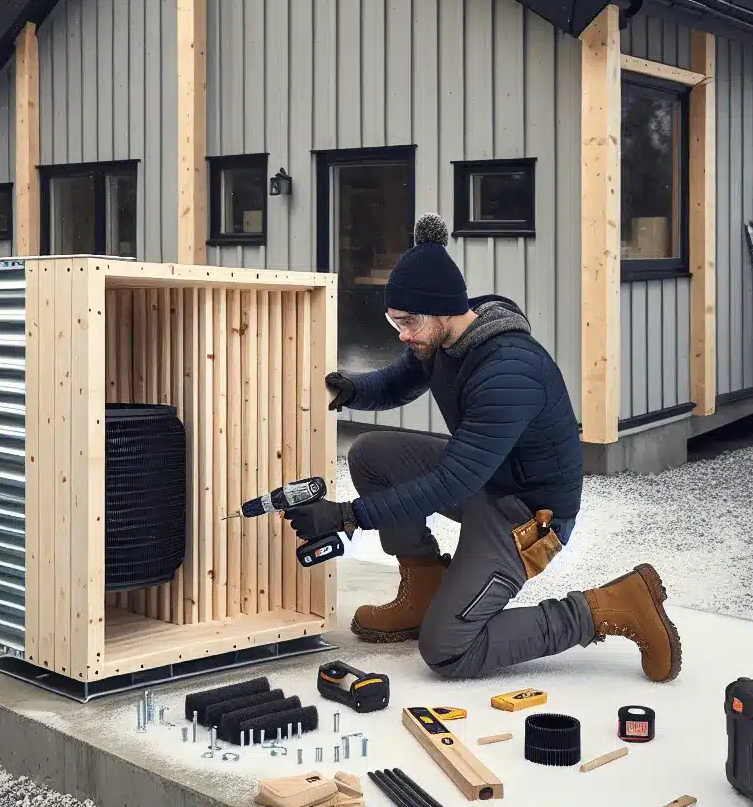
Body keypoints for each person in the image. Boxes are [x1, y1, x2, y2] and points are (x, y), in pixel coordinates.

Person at [283, 213, 682, 682]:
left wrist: (348, 516)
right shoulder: (444, 337)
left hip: (528, 517)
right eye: (395, 323)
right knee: (371, 455)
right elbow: (399, 381)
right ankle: (424, 592)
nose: (403, 335)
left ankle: (609, 606)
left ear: (442, 310)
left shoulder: (508, 371)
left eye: (409, 323)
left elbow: (452, 482)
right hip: (485, 482)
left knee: (448, 649)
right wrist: (351, 390)